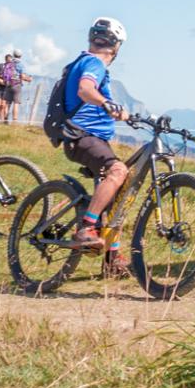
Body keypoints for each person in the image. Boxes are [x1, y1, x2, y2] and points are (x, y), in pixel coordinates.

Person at [45, 17, 133, 274]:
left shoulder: (84, 61)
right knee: (118, 171)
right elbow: (86, 90)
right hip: (83, 137)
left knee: (114, 194)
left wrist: (126, 115)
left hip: (89, 138)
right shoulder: (94, 63)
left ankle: (112, 259)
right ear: (116, 47)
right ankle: (85, 227)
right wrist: (106, 104)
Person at [0, 48, 30, 123]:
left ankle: (3, 120)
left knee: (4, 104)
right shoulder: (19, 65)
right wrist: (29, 79)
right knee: (14, 103)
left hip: (7, 85)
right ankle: (11, 120)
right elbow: (22, 76)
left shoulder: (10, 65)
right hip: (9, 86)